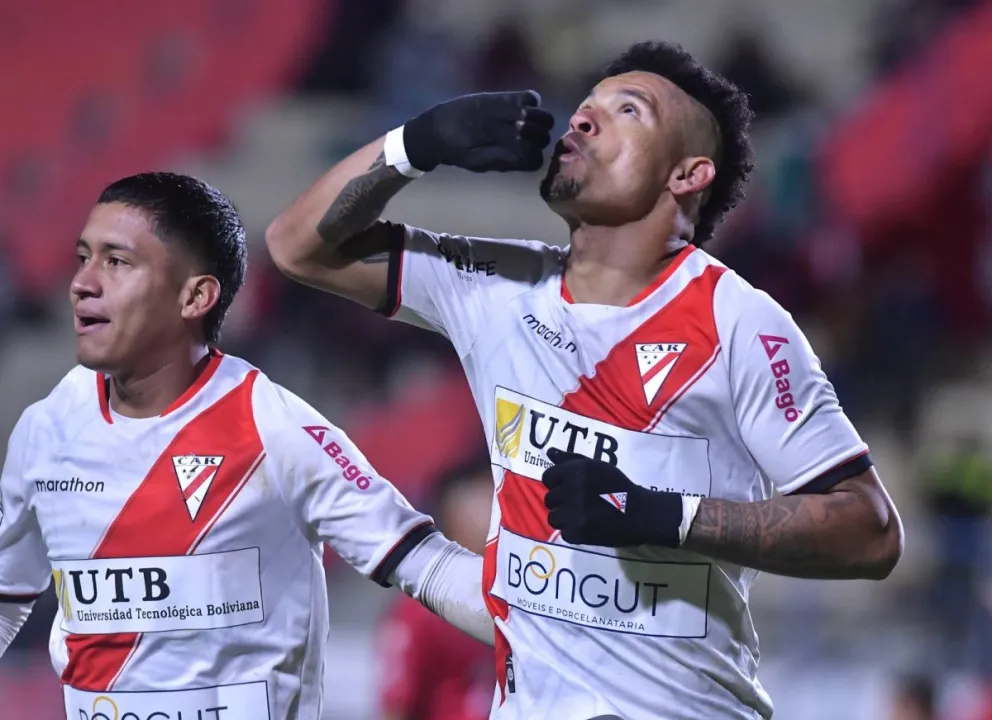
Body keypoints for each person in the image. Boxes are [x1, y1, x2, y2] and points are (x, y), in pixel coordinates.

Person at [265, 41, 905, 720]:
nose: (583, 121)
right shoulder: (495, 287)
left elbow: (869, 532)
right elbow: (297, 246)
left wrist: (661, 513)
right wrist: (415, 144)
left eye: (628, 110)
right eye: (586, 108)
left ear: (688, 174)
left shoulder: (738, 322)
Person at [0, 172, 491, 720]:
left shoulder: (274, 430)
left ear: (195, 296)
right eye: (84, 257)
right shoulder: (46, 430)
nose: (83, 283)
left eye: (116, 262)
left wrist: (569, 628)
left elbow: (428, 566)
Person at [376, 455, 496, 720]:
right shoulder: (419, 612)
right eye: (483, 497)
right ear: (453, 511)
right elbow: (396, 707)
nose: (494, 509)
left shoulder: (517, 597)